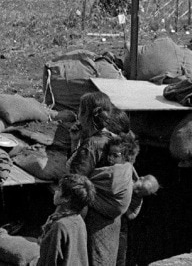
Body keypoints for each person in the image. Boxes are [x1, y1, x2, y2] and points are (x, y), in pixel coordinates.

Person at [85, 134, 137, 266]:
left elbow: (82, 178)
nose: (110, 158)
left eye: (116, 155)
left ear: (126, 157)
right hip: (109, 224)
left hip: (105, 224)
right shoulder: (125, 170)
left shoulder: (119, 172)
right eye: (109, 154)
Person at [68, 91, 130, 176]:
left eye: (80, 112)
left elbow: (75, 179)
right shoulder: (113, 138)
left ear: (85, 115)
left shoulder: (91, 145)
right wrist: (75, 141)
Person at [37, 174, 94, 266]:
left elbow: (50, 259)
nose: (55, 192)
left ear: (67, 198)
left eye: (59, 190)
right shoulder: (78, 219)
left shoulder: (60, 225)